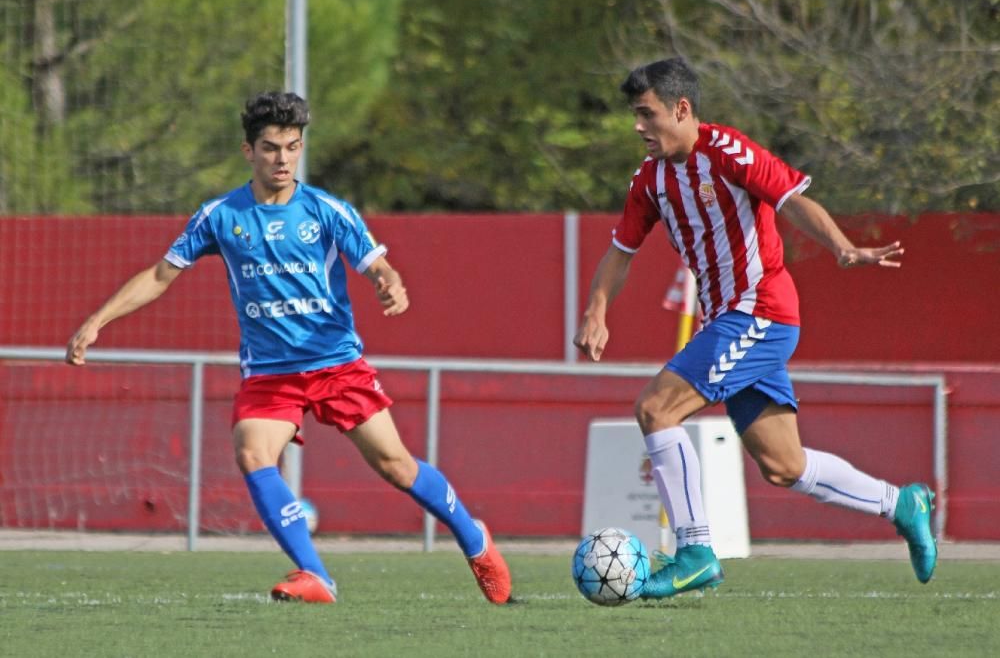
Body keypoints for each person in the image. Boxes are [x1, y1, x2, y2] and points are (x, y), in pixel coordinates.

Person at [65, 92, 512, 605]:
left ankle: (475, 541)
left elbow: (376, 263)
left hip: (336, 365)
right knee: (252, 451)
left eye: (292, 147)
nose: (282, 159)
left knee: (397, 468)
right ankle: (316, 575)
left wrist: (391, 283)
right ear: (248, 151)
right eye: (271, 148)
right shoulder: (219, 216)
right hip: (270, 375)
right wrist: (99, 320)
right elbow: (161, 275)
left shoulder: (326, 210)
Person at [573, 58, 937, 598]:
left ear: (682, 108)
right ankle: (901, 503)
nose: (638, 127)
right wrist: (596, 308)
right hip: (730, 323)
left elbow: (792, 198)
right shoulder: (650, 180)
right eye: (634, 115)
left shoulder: (727, 152)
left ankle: (695, 550)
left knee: (656, 409)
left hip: (759, 313)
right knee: (783, 465)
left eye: (646, 114)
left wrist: (841, 247)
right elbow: (621, 251)